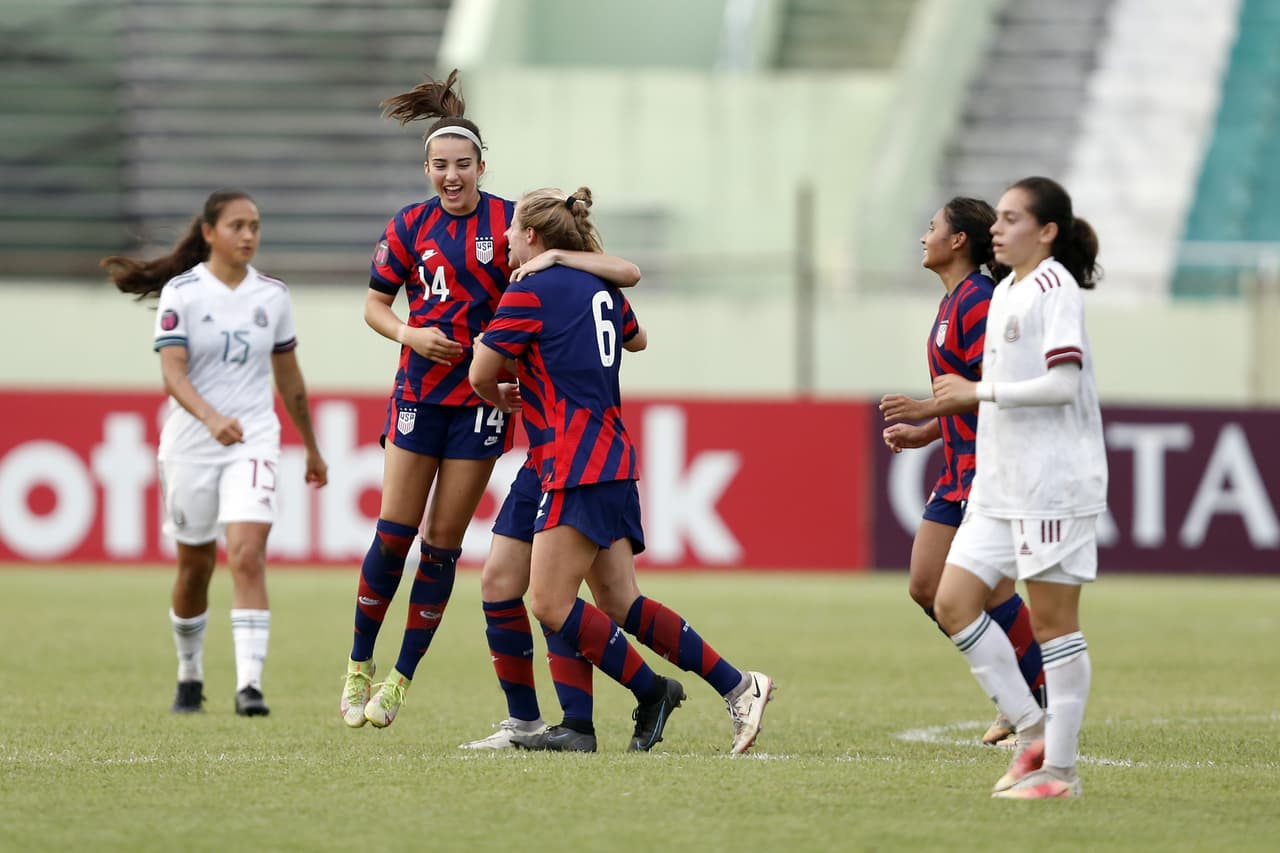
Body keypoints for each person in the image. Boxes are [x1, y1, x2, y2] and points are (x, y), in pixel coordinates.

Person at [339, 70, 642, 730]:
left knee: (442, 544)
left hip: (483, 402)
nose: (453, 176)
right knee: (394, 533)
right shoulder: (409, 225)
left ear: (482, 165)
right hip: (419, 393)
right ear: (426, 168)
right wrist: (408, 333)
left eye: (463, 165)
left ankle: (399, 678)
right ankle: (359, 661)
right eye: (441, 165)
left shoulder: (513, 224)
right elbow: (372, 304)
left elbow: (600, 265)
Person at [471, 186, 775, 754]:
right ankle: (579, 726)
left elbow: (480, 373)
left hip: (574, 457)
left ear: (532, 237)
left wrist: (504, 392)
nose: (506, 239)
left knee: (549, 601)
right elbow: (635, 338)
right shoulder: (599, 286)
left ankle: (663, 689)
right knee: (591, 597)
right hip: (578, 455)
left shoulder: (528, 291)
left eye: (512, 229)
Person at [102, 189, 328, 717]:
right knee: (195, 568)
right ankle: (189, 673)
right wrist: (210, 418)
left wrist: (313, 448)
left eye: (254, 226)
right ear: (209, 233)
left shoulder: (272, 296)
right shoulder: (184, 292)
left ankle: (249, 685)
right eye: (237, 226)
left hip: (253, 438)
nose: (248, 235)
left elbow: (290, 380)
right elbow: (172, 373)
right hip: (190, 446)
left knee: (247, 555)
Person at [931, 176, 1106, 799]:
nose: (997, 229)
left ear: (1047, 231)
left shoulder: (1056, 289)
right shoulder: (1006, 288)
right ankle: (1033, 730)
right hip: (999, 485)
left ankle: (1060, 772)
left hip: (1052, 484)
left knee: (1055, 625)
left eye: (1010, 219)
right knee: (952, 601)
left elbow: (1063, 383)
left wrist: (977, 391)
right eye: (996, 219)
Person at [880, 197, 1045, 745]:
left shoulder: (979, 302)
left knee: (990, 594)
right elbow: (962, 399)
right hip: (957, 470)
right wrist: (924, 432)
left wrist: (927, 410)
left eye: (931, 228)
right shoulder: (952, 302)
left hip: (986, 472)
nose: (923, 237)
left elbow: (992, 392)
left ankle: (1032, 700)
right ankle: (1019, 696)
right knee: (926, 586)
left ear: (957, 242)